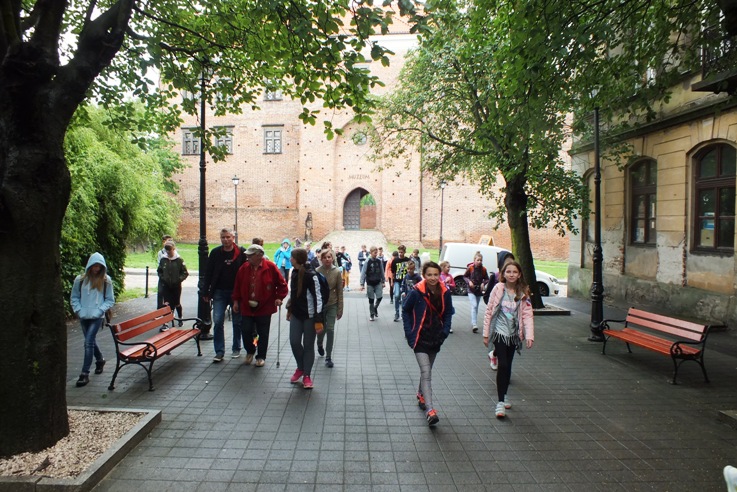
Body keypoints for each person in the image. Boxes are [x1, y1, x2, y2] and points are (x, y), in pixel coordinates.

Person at [402, 261, 453, 426]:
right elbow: (405, 310)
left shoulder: (445, 292)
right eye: (429, 274)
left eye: (436, 275)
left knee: (427, 370)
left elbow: (448, 313)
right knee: (426, 372)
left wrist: (445, 332)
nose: (433, 278)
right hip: (419, 338)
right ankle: (430, 410)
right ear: (424, 275)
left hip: (435, 337)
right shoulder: (416, 292)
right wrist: (409, 333)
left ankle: (421, 394)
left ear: (440, 275)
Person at [482, 260, 534, 419]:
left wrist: (529, 335)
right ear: (503, 273)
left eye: (515, 272)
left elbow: (527, 315)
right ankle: (499, 402)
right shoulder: (498, 288)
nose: (511, 274)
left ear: (519, 274)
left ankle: (504, 395)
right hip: (499, 332)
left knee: (508, 365)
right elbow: (489, 310)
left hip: (514, 335)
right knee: (503, 364)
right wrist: (486, 333)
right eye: (508, 271)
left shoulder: (523, 291)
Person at [232, 244, 288, 367]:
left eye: (250, 256)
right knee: (246, 330)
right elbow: (237, 286)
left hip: (264, 306)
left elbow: (282, 284)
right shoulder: (244, 268)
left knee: (263, 332)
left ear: (259, 256)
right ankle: (250, 350)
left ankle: (261, 356)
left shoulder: (270, 267)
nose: (247, 258)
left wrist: (279, 297)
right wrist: (235, 301)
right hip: (247, 306)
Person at [70, 252, 115, 388]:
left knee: (88, 342)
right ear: (90, 266)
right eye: (95, 266)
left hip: (97, 316)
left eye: (99, 267)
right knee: (90, 341)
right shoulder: (80, 280)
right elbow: (74, 297)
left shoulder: (106, 280)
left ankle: (84, 373)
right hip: (83, 315)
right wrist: (78, 310)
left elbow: (109, 300)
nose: (97, 269)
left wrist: (100, 310)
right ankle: (100, 360)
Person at [202, 228, 247, 362]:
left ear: (233, 238)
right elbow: (208, 272)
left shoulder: (241, 252)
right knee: (218, 321)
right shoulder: (216, 252)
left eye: (228, 237)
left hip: (236, 293)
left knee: (237, 322)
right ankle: (219, 351)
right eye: (223, 237)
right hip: (219, 292)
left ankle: (236, 347)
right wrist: (206, 291)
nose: (226, 240)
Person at [286, 248, 324, 389]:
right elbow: (294, 295)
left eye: (292, 257)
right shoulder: (294, 272)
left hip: (310, 316)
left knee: (308, 346)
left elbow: (318, 298)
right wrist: (290, 309)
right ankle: (301, 367)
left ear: (297, 259)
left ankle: (306, 375)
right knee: (294, 342)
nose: (290, 259)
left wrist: (318, 320)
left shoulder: (311, 275)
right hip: (296, 314)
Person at [316, 248, 343, 367]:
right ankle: (319, 343)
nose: (327, 259)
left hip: (333, 303)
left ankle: (328, 356)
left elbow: (340, 291)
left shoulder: (336, 272)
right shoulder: (317, 271)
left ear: (332, 258)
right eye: (325, 257)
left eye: (329, 257)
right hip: (320, 305)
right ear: (321, 259)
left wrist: (340, 308)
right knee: (321, 329)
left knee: (330, 329)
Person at [157, 241, 189, 330]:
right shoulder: (163, 260)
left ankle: (180, 318)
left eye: (170, 250)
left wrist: (178, 279)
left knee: (177, 303)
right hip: (166, 285)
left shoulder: (179, 260)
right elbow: (159, 271)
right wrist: (163, 278)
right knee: (166, 303)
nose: (168, 252)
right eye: (166, 250)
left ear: (173, 249)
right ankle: (165, 322)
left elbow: (185, 273)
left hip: (176, 286)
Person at [463, 252, 489, 333]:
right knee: (474, 305)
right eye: (478, 260)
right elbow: (464, 276)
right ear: (474, 260)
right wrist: (469, 282)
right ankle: (474, 324)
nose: (479, 262)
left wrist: (483, 283)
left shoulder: (484, 269)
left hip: (479, 290)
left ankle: (474, 323)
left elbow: (487, 279)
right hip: (471, 290)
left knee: (476, 307)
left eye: (481, 260)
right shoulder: (470, 268)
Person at [359, 246, 385, 321]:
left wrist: (383, 281)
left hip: (378, 282)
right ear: (371, 253)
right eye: (374, 253)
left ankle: (375, 307)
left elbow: (382, 271)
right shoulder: (367, 262)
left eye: (376, 253)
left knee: (379, 297)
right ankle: (372, 314)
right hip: (370, 283)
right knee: (371, 299)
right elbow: (363, 272)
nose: (376, 254)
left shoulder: (379, 261)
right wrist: (362, 283)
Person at [391, 245, 411, 322]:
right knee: (396, 296)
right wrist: (392, 281)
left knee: (404, 298)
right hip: (397, 281)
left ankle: (404, 313)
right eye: (399, 252)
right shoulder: (395, 260)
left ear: (404, 252)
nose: (400, 254)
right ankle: (397, 313)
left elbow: (411, 270)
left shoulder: (407, 260)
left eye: (401, 252)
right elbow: (393, 272)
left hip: (405, 281)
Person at [156, 234, 173, 316]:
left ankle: (169, 312)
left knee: (170, 295)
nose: (170, 242)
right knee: (160, 293)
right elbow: (160, 265)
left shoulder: (174, 252)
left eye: (171, 241)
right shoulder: (161, 253)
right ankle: (159, 311)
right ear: (164, 242)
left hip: (171, 277)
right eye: (168, 240)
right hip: (163, 277)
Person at [439, 260, 456, 334]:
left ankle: (448, 326)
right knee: (441, 310)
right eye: (447, 267)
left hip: (448, 295)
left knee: (449, 310)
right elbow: (438, 285)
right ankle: (441, 324)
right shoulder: (440, 276)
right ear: (443, 267)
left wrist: (450, 285)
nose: (449, 269)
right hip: (441, 296)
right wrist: (445, 282)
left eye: (449, 267)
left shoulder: (450, 276)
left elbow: (454, 285)